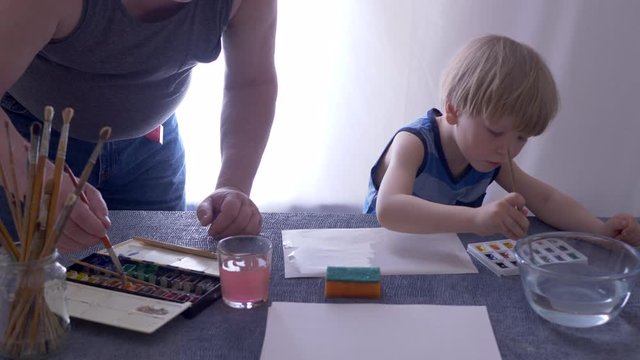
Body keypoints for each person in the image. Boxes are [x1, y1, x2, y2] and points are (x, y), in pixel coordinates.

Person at [0, 0, 277, 252]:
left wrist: (234, 187)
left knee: (155, 290)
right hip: (23, 138)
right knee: (25, 288)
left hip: (150, 148)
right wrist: (31, 176)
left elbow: (251, 83)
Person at [363, 34, 640, 246]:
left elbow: (546, 199)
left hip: (445, 253)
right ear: (453, 110)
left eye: (522, 137)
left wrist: (601, 231)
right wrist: (475, 219)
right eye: (495, 131)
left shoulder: (491, 157)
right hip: (384, 248)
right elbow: (389, 209)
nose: (507, 149)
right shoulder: (414, 143)